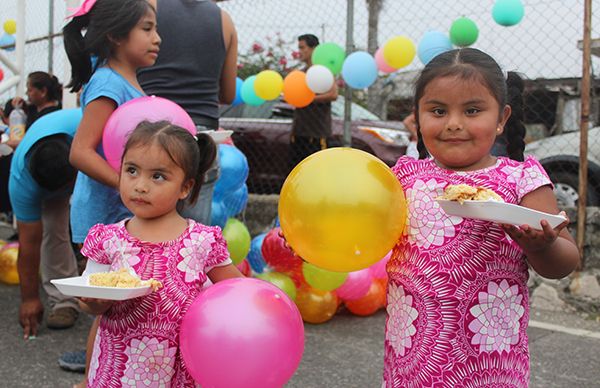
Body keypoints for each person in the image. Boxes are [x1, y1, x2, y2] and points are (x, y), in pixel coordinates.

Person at [383, 48, 579, 386]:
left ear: (501, 118)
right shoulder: (403, 178)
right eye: (438, 111)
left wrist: (541, 247)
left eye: (472, 110)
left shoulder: (522, 179)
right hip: (413, 358)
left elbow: (565, 263)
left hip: (489, 363)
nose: (454, 123)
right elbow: (362, 235)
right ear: (417, 115)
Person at [78, 121, 243, 386]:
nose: (141, 185)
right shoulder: (107, 239)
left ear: (185, 187)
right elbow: (93, 311)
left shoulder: (202, 242)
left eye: (158, 176)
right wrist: (94, 303)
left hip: (176, 377)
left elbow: (241, 293)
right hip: (115, 376)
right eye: (131, 170)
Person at [60, 0, 161, 379]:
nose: (158, 38)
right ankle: (92, 380)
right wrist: (129, 184)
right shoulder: (107, 82)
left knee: (121, 311)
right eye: (147, 29)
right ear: (117, 35)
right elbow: (81, 151)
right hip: (105, 220)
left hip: (122, 214)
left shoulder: (128, 81)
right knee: (107, 313)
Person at [137, 0, 238, 225]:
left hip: (149, 130)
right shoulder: (224, 20)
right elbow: (228, 94)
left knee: (142, 238)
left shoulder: (146, 7)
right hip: (201, 138)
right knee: (192, 243)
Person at [9, 109, 82, 338]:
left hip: (95, 159)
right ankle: (63, 300)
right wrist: (29, 298)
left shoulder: (86, 129)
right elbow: (28, 245)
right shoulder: (22, 183)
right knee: (53, 229)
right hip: (53, 180)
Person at [290, 33, 338, 167]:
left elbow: (333, 94)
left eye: (302, 48)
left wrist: (309, 99)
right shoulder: (301, 73)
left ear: (313, 49)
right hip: (299, 132)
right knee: (298, 170)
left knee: (318, 170)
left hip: (317, 133)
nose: (299, 52)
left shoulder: (324, 71)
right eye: (298, 48)